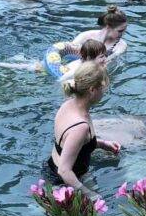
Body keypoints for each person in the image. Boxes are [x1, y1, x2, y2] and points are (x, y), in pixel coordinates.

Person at [47, 62, 120, 196]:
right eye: (102, 87)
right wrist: (90, 195)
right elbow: (64, 171)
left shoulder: (69, 105)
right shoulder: (80, 127)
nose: (104, 91)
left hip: (52, 168)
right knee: (100, 206)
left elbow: (72, 145)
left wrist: (102, 144)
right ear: (92, 90)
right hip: (65, 183)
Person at [60, 5, 129, 61]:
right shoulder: (85, 36)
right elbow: (69, 51)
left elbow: (106, 64)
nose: (123, 33)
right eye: (120, 31)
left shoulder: (121, 46)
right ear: (108, 27)